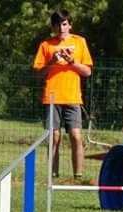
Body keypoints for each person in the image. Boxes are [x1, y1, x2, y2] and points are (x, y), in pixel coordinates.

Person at [32, 10, 93, 180]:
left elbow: (87, 71)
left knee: (76, 135)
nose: (61, 27)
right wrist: (52, 62)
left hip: (73, 97)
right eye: (58, 24)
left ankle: (78, 175)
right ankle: (53, 174)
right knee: (54, 137)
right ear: (53, 26)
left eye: (64, 24)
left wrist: (72, 62)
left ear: (70, 25)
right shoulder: (46, 45)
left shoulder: (80, 42)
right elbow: (38, 73)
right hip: (51, 97)